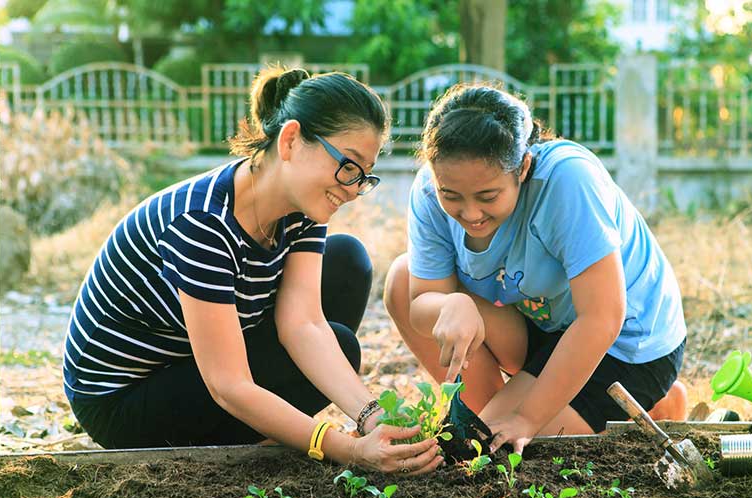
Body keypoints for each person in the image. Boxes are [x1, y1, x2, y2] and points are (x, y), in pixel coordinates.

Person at [63, 66, 442, 475]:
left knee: (345, 264)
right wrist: (343, 449)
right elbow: (229, 385)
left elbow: (304, 325)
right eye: (347, 166)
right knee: (342, 346)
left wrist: (371, 416)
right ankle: (262, 433)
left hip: (194, 360)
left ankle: (264, 429)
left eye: (362, 176)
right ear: (291, 140)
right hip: (124, 401)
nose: (352, 189)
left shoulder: (303, 208)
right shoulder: (202, 222)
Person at [384, 84, 688, 454]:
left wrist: (527, 418)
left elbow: (602, 317)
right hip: (542, 324)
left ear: (523, 167)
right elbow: (418, 304)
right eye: (452, 196)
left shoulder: (568, 180)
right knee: (402, 278)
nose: (471, 213)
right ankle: (498, 412)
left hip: (625, 342)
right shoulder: (430, 193)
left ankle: (656, 403)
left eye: (488, 196)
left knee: (512, 444)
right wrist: (450, 306)